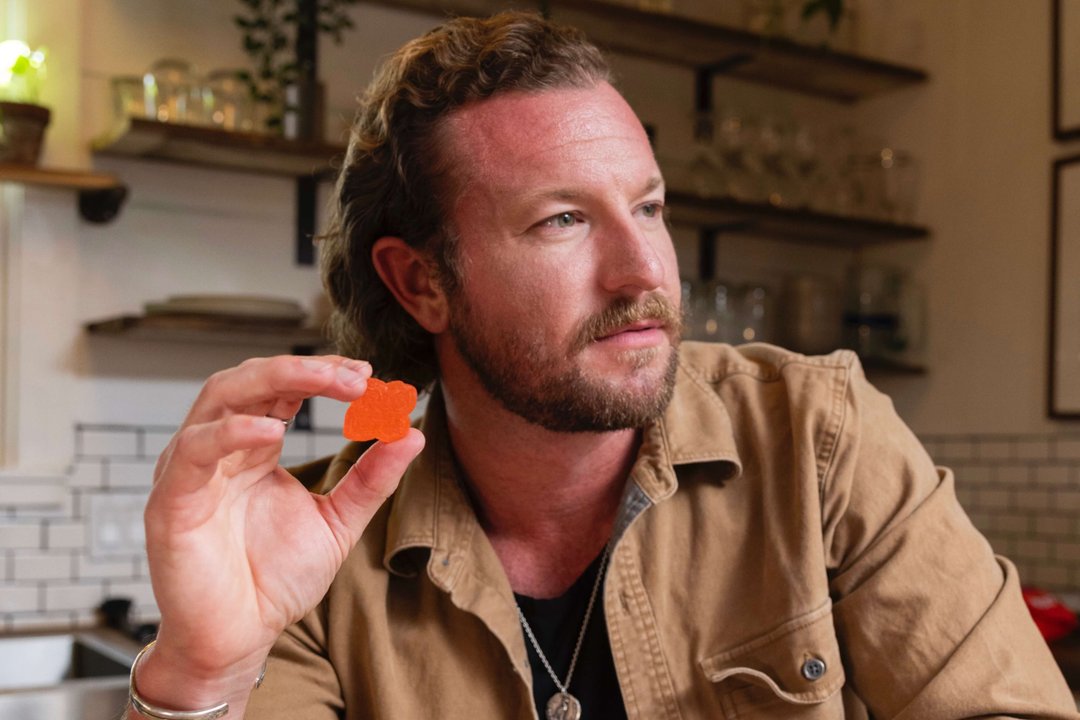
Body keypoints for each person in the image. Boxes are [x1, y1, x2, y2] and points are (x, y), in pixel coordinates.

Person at [127, 11, 1077, 720]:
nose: (644, 272)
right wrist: (203, 673)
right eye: (563, 221)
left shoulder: (820, 435)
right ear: (421, 284)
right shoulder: (310, 562)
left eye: (651, 208)